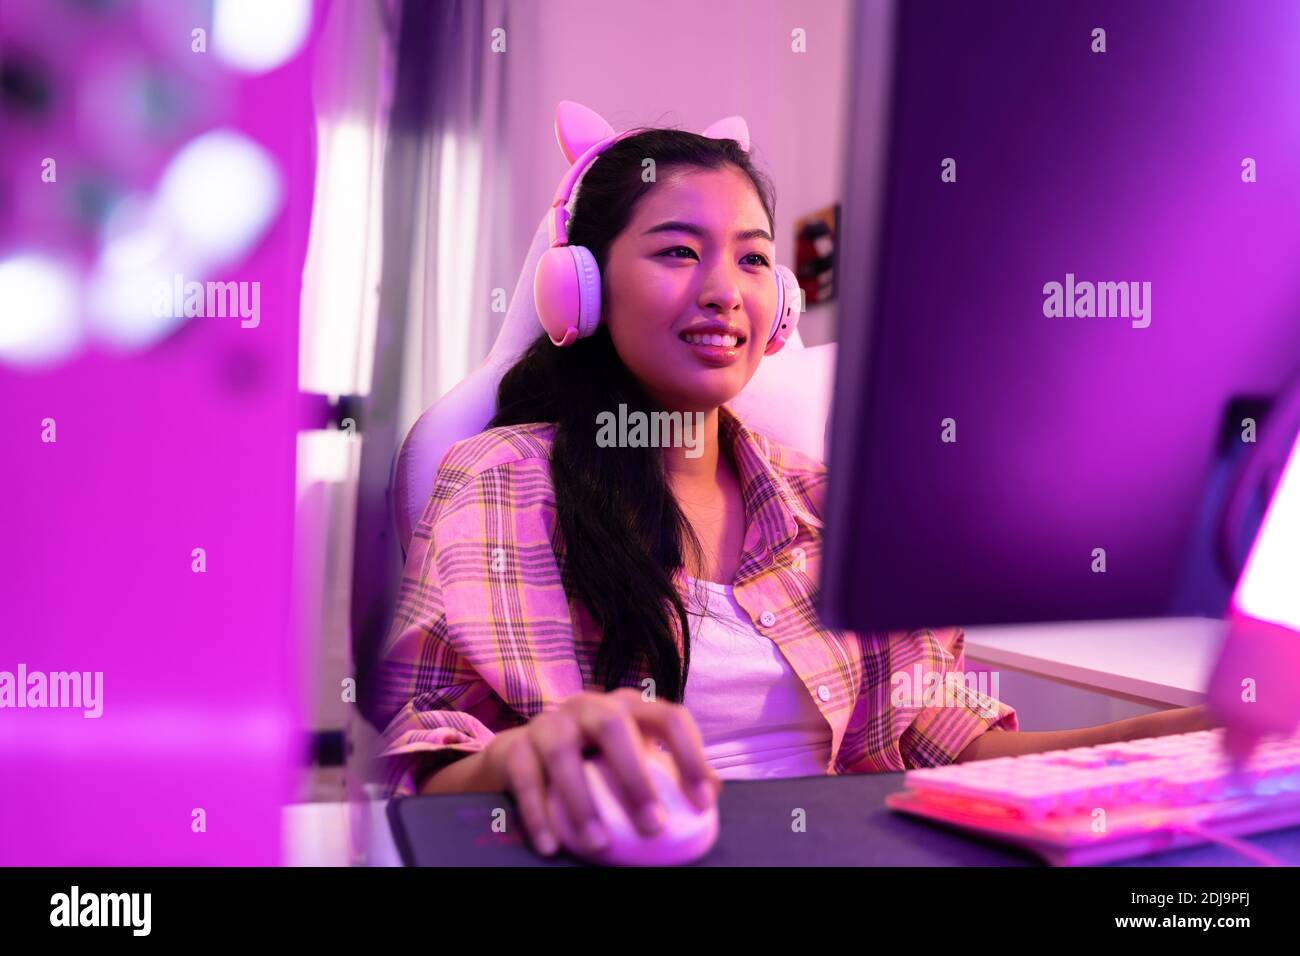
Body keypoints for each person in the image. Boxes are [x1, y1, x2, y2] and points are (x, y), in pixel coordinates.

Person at [374, 114, 1215, 860]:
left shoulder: (829, 506)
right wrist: (520, 759)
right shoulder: (502, 480)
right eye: (677, 251)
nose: (722, 291)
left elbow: (939, 746)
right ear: (582, 288)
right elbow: (429, 755)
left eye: (751, 260)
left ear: (779, 304)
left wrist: (1172, 735)